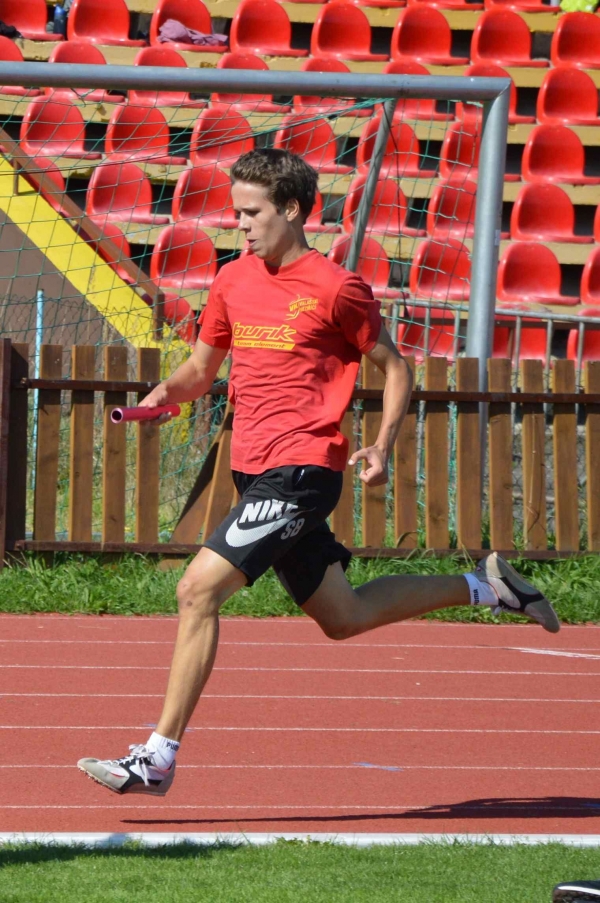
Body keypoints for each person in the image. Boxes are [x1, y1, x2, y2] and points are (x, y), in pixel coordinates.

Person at [78, 149, 560, 797]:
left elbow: (395, 368)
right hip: (255, 473)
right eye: (235, 213)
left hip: (303, 470)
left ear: (294, 210)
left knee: (197, 589)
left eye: (252, 213)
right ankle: (488, 588)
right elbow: (199, 371)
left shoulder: (337, 287)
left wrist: (382, 444)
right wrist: (162, 397)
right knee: (344, 615)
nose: (240, 225)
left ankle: (158, 755)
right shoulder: (232, 281)